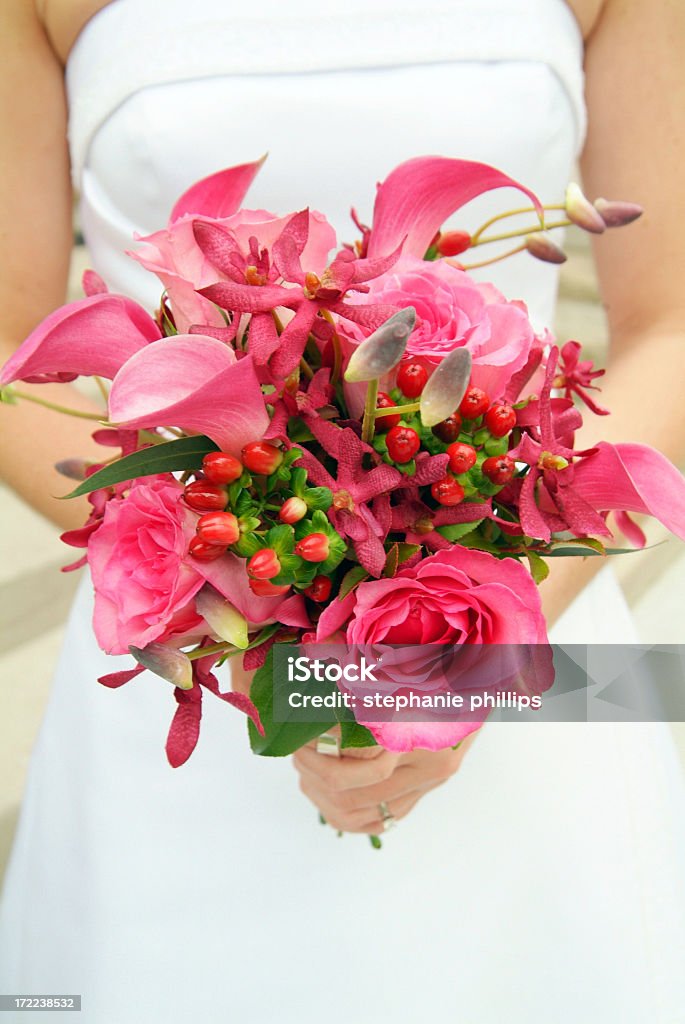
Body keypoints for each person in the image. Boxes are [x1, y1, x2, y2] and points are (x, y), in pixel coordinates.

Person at [1, 1, 684, 1021]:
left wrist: (463, 645)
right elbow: (15, 349)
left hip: (516, 629)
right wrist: (260, 615)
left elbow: (670, 316)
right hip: (197, 643)